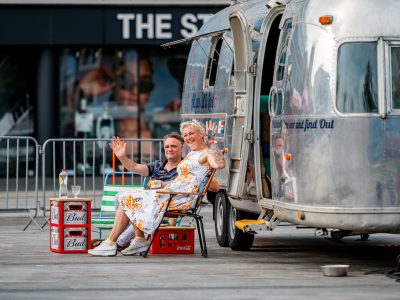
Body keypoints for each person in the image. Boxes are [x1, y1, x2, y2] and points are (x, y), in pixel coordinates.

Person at [88, 120, 225, 256]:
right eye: (186, 135)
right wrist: (123, 157)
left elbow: (219, 164)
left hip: (179, 197)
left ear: (201, 134)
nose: (188, 137)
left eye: (191, 133)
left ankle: (112, 243)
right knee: (127, 197)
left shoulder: (203, 154)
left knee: (129, 198)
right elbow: (139, 168)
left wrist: (212, 142)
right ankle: (135, 240)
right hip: (171, 193)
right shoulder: (191, 154)